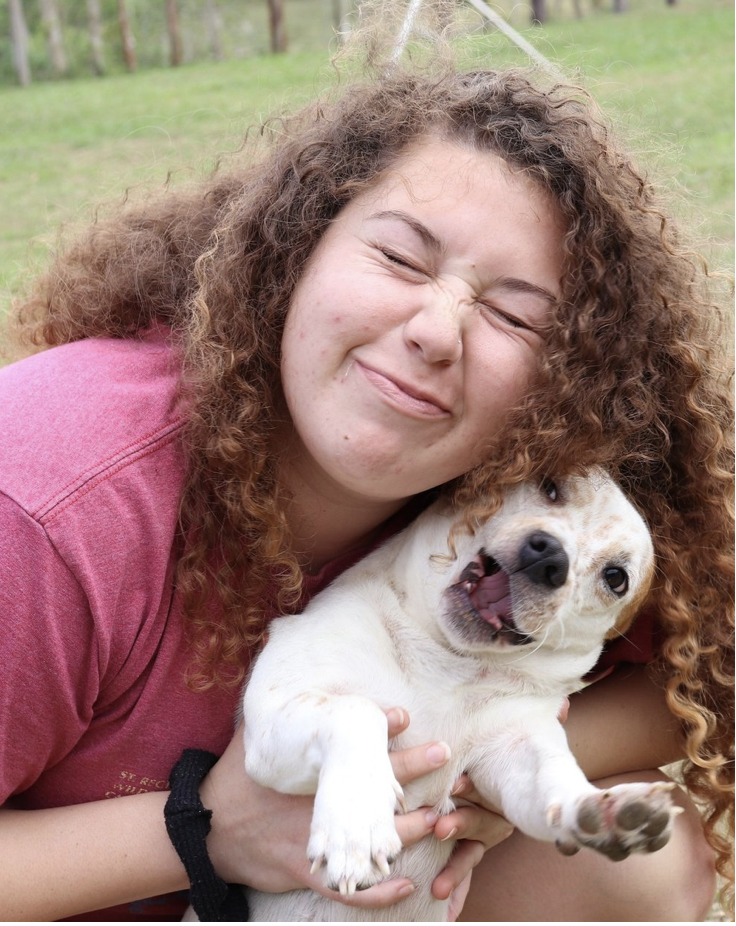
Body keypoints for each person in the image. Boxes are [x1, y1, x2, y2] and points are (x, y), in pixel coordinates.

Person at [0, 56, 732, 923]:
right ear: (295, 247)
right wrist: (203, 830)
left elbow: (696, 687)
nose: (434, 332)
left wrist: (470, 765)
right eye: (398, 256)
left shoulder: (517, 508)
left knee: (640, 868)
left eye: (512, 315)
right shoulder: (48, 507)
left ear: (563, 388)